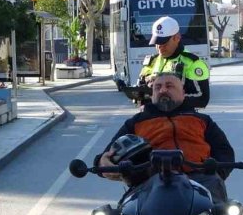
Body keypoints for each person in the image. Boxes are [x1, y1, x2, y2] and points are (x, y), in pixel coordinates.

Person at [96, 66, 234, 205]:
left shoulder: (202, 120)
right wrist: (103, 164)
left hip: (199, 180)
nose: (163, 90)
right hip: (148, 183)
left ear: (183, 92)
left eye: (169, 86)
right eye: (157, 87)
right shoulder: (137, 122)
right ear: (152, 94)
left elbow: (224, 152)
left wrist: (215, 173)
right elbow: (109, 153)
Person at [138, 16, 211, 109]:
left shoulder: (193, 63)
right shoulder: (152, 61)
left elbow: (202, 99)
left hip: (180, 119)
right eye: (157, 43)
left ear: (177, 38)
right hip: (153, 119)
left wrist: (165, 100)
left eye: (164, 43)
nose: (160, 47)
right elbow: (140, 94)